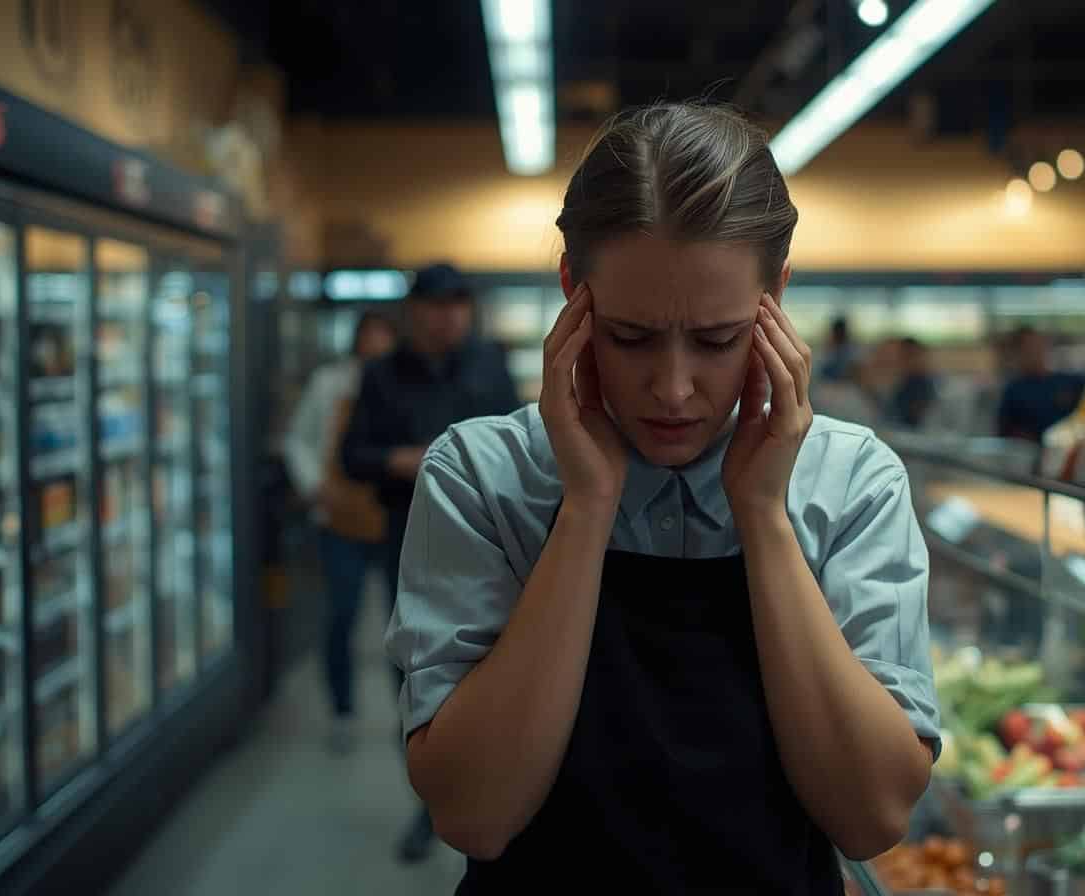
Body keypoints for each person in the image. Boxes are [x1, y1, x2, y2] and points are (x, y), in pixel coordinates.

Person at [387, 102, 939, 892]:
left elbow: (871, 816)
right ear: (573, 293)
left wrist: (764, 516)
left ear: (775, 298)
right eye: (630, 337)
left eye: (717, 340)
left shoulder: (851, 482)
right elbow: (475, 813)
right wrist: (585, 507)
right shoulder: (481, 477)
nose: (673, 390)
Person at [340, 262, 521, 862]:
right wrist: (405, 461)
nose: (448, 319)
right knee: (417, 681)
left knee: (498, 671)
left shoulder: (489, 367)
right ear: (414, 313)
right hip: (410, 549)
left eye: (458, 307)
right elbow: (353, 458)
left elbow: (527, 445)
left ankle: (498, 799)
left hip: (493, 548)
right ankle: (430, 803)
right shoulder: (381, 377)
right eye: (437, 308)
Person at [282, 311, 398, 754]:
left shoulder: (397, 386)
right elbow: (299, 439)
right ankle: (343, 710)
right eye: (370, 336)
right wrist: (315, 486)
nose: (376, 344)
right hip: (338, 519)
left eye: (383, 335)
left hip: (389, 519)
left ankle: (408, 715)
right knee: (342, 614)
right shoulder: (329, 383)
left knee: (404, 622)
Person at [996, 325, 1085, 443]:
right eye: (1027, 348)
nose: (1035, 352)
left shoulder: (1070, 382)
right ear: (1017, 353)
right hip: (1034, 456)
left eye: (1037, 345)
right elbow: (1006, 436)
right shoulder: (1013, 391)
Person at [886, 336, 939, 429]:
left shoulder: (937, 386)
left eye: (913, 356)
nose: (909, 361)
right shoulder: (895, 385)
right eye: (903, 357)